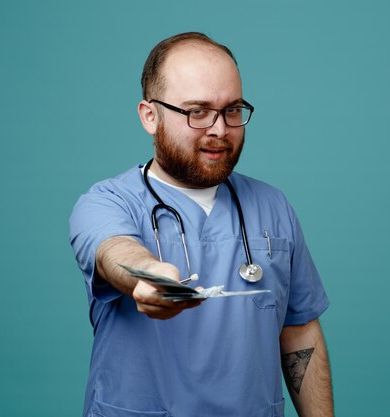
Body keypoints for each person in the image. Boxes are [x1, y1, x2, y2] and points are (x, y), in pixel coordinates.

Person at [69, 32, 333, 417]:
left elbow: (300, 331)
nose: (220, 129)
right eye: (197, 111)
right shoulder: (106, 202)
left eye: (232, 110)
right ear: (150, 115)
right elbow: (113, 251)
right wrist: (151, 276)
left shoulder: (273, 206)